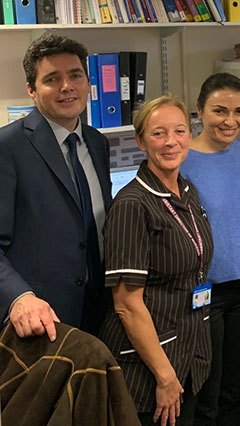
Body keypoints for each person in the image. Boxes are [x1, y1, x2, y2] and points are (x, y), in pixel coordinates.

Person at [99, 96, 214, 426]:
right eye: (158, 133)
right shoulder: (132, 205)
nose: (170, 142)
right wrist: (164, 377)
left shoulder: (187, 191)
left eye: (179, 131)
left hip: (187, 354)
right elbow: (126, 305)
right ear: (140, 141)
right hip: (149, 370)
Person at [0, 33, 111, 340]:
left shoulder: (98, 143)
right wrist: (19, 297)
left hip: (102, 306)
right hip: (42, 317)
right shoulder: (8, 148)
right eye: (52, 79)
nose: (67, 87)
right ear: (31, 90)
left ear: (88, 83)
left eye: (75, 75)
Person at [180, 72, 240, 426]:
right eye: (219, 111)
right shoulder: (181, 160)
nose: (231, 121)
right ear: (199, 111)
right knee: (206, 389)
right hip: (204, 292)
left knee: (236, 386)